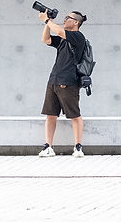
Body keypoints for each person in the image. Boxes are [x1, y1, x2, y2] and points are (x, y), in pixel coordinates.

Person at [37, 8, 87, 157]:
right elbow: (46, 39)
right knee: (50, 114)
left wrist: (47, 20)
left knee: (74, 115)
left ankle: (78, 146)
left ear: (76, 22)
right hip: (54, 80)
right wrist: (49, 22)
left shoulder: (78, 37)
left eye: (68, 18)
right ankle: (48, 146)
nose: (64, 20)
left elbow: (59, 32)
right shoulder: (64, 40)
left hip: (69, 81)